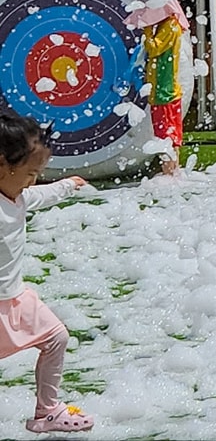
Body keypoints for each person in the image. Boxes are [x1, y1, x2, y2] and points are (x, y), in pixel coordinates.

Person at [0, 112, 94, 433]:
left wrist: (68, 185)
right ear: (2, 164)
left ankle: (47, 410)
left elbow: (41, 195)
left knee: (57, 337)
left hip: (16, 300)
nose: (33, 181)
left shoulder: (19, 195)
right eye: (29, 173)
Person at [126, 0, 187, 175]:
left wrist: (146, 32)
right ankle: (171, 170)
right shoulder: (166, 25)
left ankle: (170, 171)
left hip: (164, 88)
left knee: (166, 133)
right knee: (165, 131)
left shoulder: (170, 26)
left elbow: (153, 48)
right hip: (161, 87)